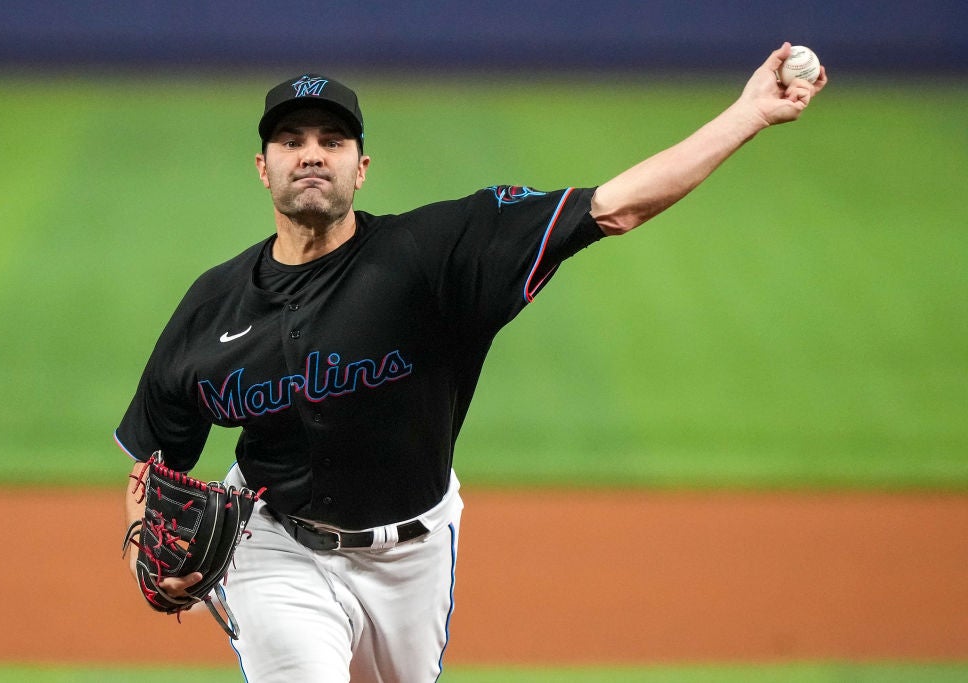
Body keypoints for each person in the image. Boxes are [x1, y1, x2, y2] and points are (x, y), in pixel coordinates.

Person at [116, 43, 826, 682]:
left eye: (332, 140)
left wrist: (749, 113)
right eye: (291, 140)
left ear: (361, 169)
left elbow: (614, 207)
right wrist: (138, 543)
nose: (310, 153)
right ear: (262, 166)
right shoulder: (212, 307)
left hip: (412, 557)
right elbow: (154, 462)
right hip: (276, 548)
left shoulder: (436, 254)